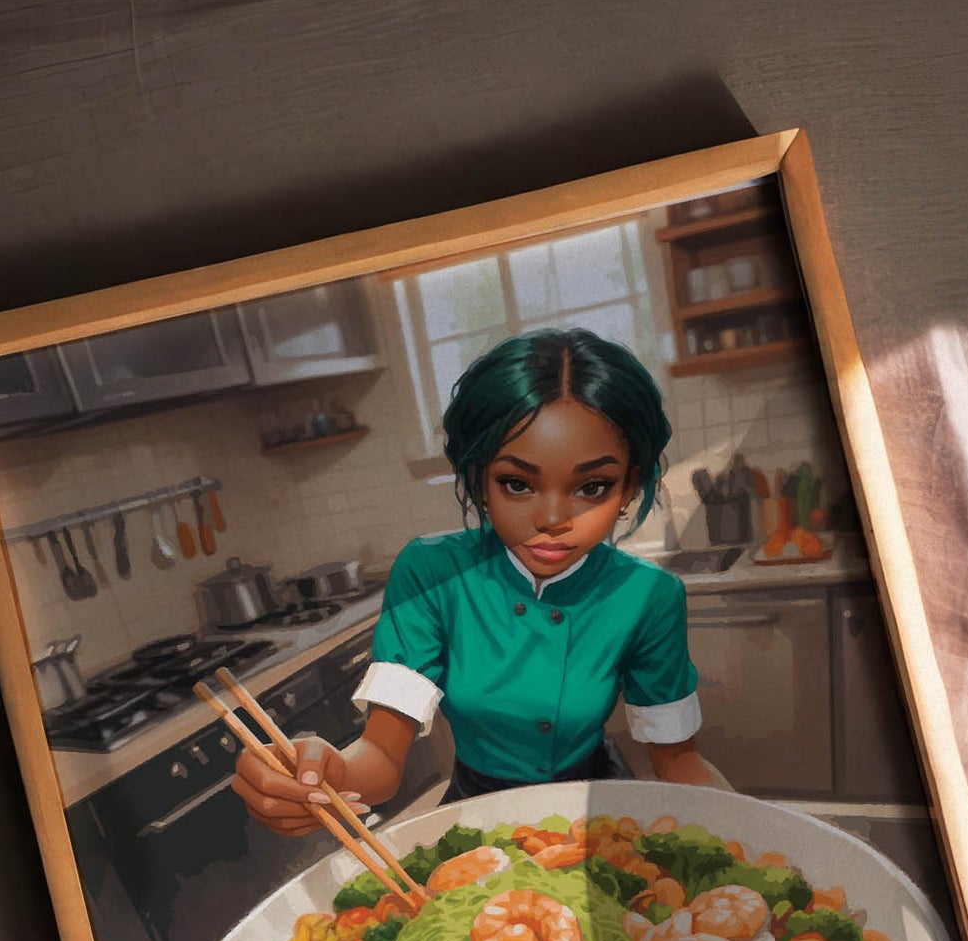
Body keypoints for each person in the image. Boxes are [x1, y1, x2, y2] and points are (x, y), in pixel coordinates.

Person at [234, 326, 728, 839]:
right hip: (475, 813)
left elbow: (677, 762)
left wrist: (751, 828)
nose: (552, 518)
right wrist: (325, 772)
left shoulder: (647, 595)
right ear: (479, 480)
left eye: (592, 487)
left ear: (629, 486)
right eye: (518, 483)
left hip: (597, 805)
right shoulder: (432, 573)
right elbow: (381, 756)